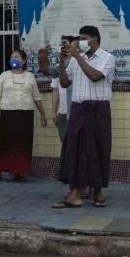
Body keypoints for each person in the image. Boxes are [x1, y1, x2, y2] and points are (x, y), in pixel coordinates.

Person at [53, 25, 117, 209]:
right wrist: (62, 62)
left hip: (98, 109)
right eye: (78, 38)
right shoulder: (74, 59)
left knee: (99, 149)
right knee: (76, 149)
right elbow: (65, 83)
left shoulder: (107, 57)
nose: (79, 42)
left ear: (94, 40)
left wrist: (77, 56)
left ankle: (97, 191)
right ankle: (76, 192)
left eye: (83, 38)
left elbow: (95, 76)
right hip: (79, 109)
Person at [0, 49, 47, 182]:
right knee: (4, 143)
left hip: (25, 114)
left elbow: (37, 97)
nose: (13, 59)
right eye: (12, 57)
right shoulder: (4, 75)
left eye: (16, 57)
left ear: (24, 61)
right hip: (8, 113)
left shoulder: (30, 76)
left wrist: (43, 114)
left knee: (23, 144)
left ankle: (19, 172)